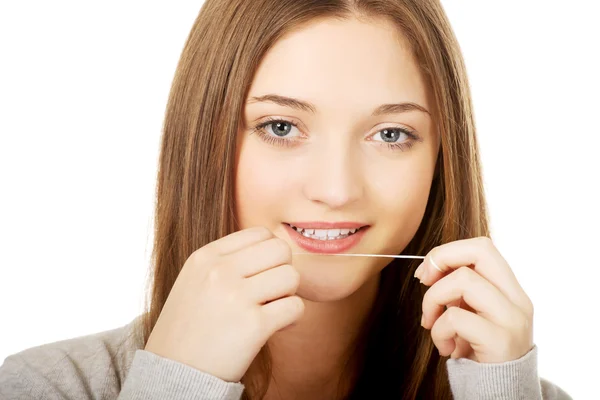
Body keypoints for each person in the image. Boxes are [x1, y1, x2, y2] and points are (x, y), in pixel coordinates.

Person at [0, 0, 573, 399]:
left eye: (391, 134)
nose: (336, 189)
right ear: (205, 137)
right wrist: (177, 385)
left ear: (442, 159)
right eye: (280, 127)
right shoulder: (48, 388)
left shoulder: (519, 392)